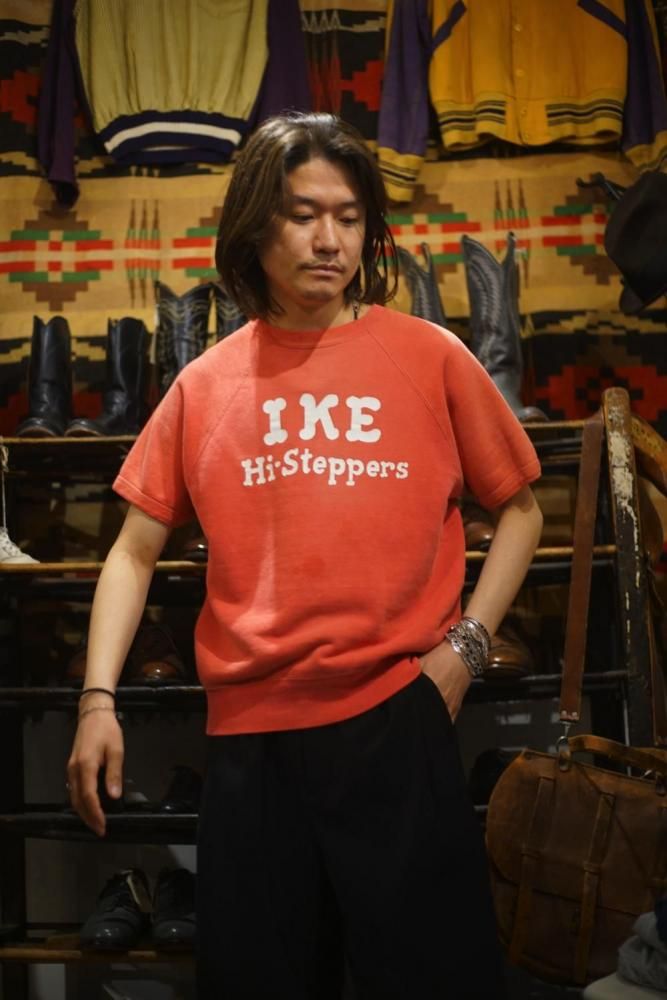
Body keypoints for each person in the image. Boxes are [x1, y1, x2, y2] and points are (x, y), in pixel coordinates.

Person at [67, 111, 543, 999]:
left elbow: (519, 511)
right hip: (251, 744)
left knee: (433, 981)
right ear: (255, 228)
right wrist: (98, 699)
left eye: (349, 217)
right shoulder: (205, 383)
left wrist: (466, 649)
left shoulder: (428, 356)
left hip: (397, 718)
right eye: (302, 215)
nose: (330, 241)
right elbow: (132, 551)